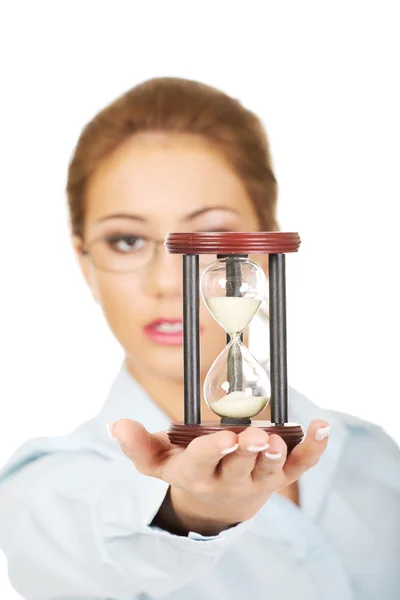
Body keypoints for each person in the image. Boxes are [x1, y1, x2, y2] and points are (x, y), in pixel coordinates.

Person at [0, 78, 399, 600]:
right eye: (127, 240)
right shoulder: (45, 495)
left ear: (262, 245)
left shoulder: (375, 455)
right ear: (85, 265)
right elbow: (112, 542)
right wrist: (192, 511)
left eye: (213, 236)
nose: (168, 282)